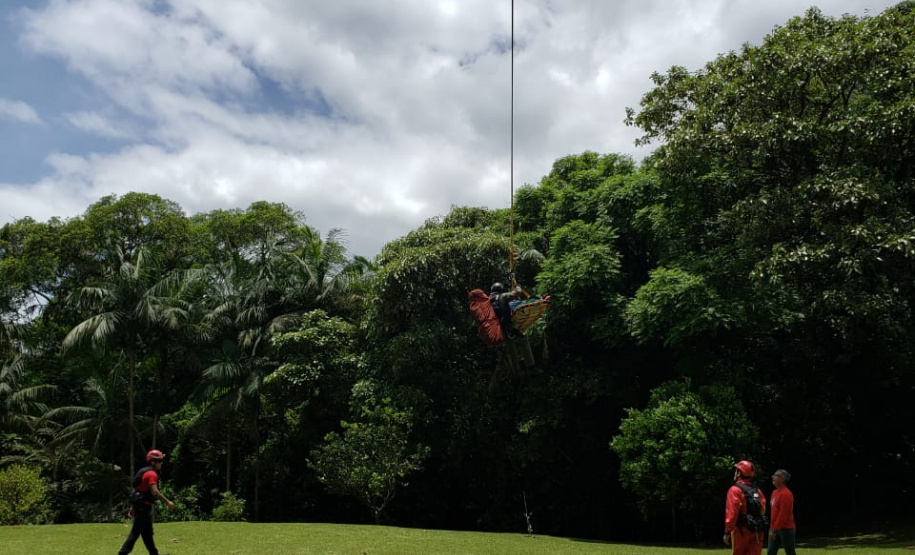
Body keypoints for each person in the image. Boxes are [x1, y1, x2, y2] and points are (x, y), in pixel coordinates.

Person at [118, 449, 175, 555]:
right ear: (152, 462)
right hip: (142, 508)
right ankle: (122, 553)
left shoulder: (144, 471)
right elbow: (155, 492)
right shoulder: (152, 474)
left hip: (141, 506)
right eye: (159, 461)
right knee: (135, 533)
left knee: (147, 534)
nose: (161, 463)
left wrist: (133, 507)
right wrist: (167, 502)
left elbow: (138, 490)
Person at [724, 460, 767, 555]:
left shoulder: (735, 490)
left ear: (739, 473)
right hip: (757, 530)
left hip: (741, 530)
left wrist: (727, 531)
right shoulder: (757, 490)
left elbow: (732, 513)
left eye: (736, 471)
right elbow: (763, 509)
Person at [489, 282, 535, 370]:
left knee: (511, 350)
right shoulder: (502, 296)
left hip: (499, 331)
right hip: (508, 328)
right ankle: (531, 367)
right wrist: (517, 286)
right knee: (524, 341)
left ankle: (516, 373)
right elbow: (518, 292)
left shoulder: (489, 300)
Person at [768, 469, 797, 555]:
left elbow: (783, 514)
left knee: (790, 552)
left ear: (782, 479)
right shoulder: (774, 492)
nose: (773, 477)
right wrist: (772, 528)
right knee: (771, 552)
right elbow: (774, 513)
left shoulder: (786, 494)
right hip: (774, 528)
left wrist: (774, 530)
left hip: (786, 529)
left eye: (776, 475)